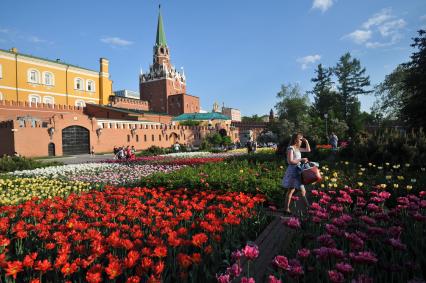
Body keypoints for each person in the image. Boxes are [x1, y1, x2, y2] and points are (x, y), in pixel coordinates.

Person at [282, 133, 311, 215]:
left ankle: (308, 208)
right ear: (296, 139)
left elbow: (308, 150)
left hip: (298, 170)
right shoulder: (291, 148)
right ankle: (287, 208)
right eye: (300, 139)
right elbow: (290, 161)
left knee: (301, 190)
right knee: (291, 190)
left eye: (302, 139)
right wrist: (301, 159)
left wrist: (306, 141)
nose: (301, 141)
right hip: (293, 171)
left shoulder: (297, 148)